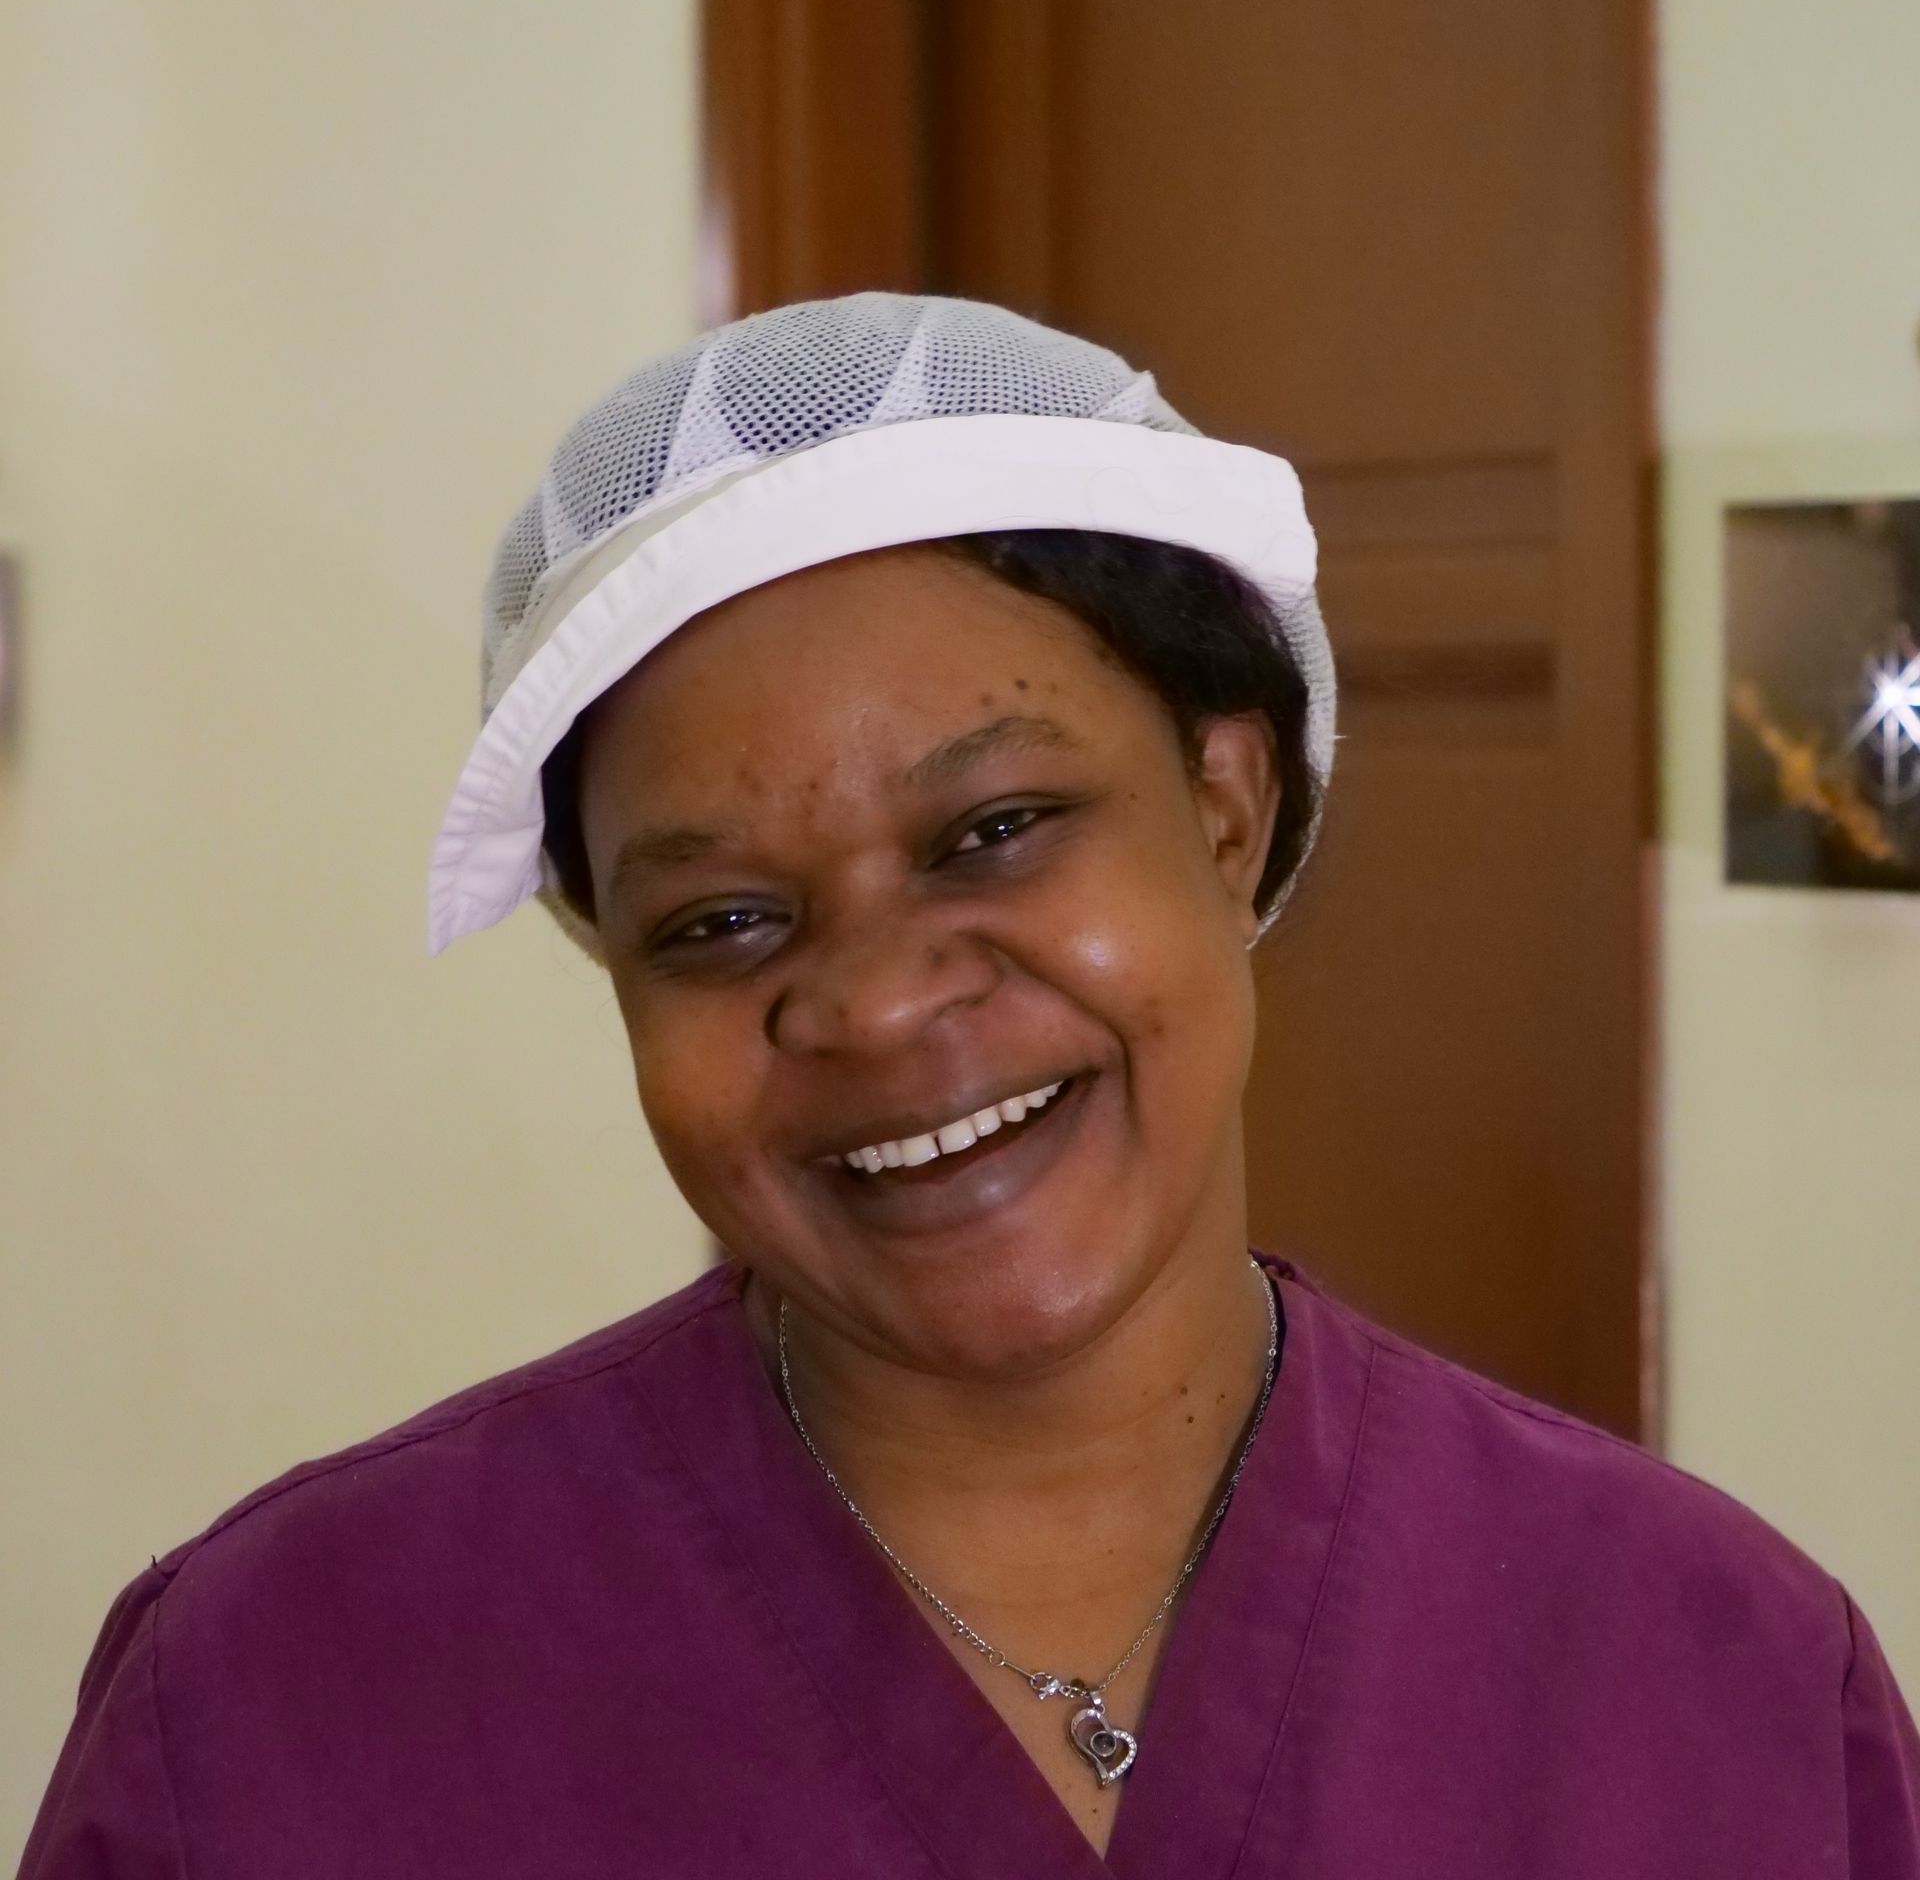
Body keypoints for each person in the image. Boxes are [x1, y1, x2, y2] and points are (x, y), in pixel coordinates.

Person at [19, 295, 1919, 1877]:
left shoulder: (1712, 1682)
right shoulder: (287, 1705)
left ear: (1229, 810)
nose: (875, 1002)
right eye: (722, 924)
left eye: (995, 829)